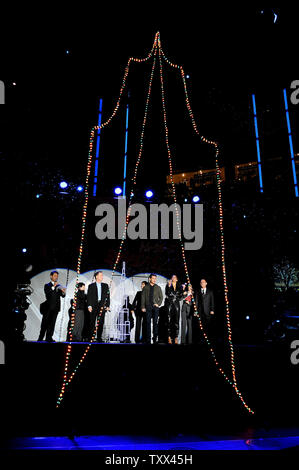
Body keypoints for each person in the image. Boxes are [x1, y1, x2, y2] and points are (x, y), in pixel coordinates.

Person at [38, 270, 66, 342]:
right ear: (51, 276)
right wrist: (54, 286)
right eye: (55, 276)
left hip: (55, 308)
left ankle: (49, 338)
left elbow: (63, 296)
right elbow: (48, 294)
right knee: (44, 324)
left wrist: (63, 292)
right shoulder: (47, 285)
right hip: (48, 308)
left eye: (57, 276)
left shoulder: (59, 286)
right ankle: (40, 338)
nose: (56, 277)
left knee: (52, 324)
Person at [86, 271, 110, 342]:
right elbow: (89, 296)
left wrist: (107, 305)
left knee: (101, 322)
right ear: (96, 276)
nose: (102, 277)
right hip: (93, 306)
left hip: (102, 306)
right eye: (100, 275)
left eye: (102, 275)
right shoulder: (91, 286)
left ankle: (99, 338)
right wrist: (89, 306)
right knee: (92, 322)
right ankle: (91, 338)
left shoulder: (105, 285)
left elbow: (108, 296)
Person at [141, 274, 163, 344]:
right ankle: (148, 339)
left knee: (155, 323)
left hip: (155, 307)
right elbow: (143, 297)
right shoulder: (146, 287)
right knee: (148, 323)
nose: (154, 280)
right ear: (150, 279)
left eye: (155, 279)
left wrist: (158, 304)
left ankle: (155, 338)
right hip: (148, 307)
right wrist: (143, 307)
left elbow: (161, 297)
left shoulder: (158, 287)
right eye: (153, 278)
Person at [165, 275, 183, 344]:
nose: (173, 278)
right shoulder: (168, 285)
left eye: (175, 277)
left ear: (177, 279)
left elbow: (180, 295)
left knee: (176, 321)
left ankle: (176, 337)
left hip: (176, 304)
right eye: (172, 277)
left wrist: (180, 293)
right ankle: (169, 337)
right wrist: (169, 286)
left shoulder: (179, 286)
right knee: (169, 320)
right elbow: (167, 293)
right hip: (169, 304)